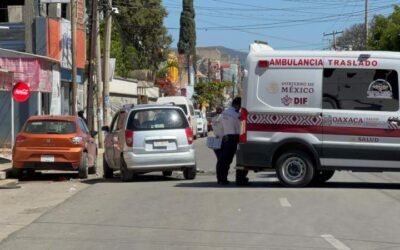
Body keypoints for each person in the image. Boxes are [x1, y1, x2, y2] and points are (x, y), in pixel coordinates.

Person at [216, 97, 241, 185]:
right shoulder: (236, 115)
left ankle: (220, 179)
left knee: (222, 159)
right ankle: (223, 179)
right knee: (228, 160)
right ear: (238, 105)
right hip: (233, 138)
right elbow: (239, 128)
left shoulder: (223, 113)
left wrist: (221, 135)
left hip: (224, 137)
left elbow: (218, 125)